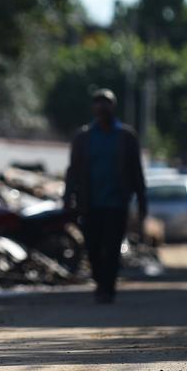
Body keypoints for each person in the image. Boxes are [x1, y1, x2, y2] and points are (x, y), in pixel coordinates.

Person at [64, 89, 147, 304]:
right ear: (93, 108)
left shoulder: (126, 137)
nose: (102, 107)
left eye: (106, 103)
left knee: (111, 247)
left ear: (113, 106)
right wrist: (68, 198)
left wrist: (142, 201)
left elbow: (136, 171)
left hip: (117, 203)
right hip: (90, 203)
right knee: (92, 247)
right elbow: (73, 170)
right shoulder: (83, 137)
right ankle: (100, 282)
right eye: (98, 103)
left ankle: (107, 288)